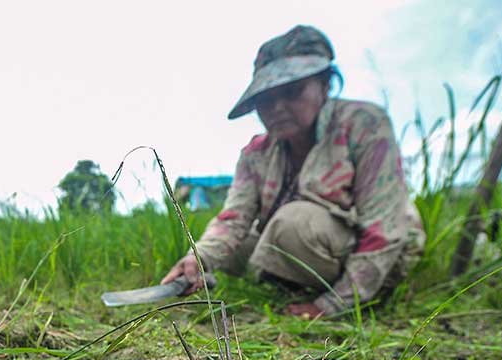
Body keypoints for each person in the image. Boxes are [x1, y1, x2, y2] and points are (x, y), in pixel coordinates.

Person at [162, 25, 423, 318]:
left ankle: (335, 291)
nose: (277, 107)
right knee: (234, 245)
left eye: (292, 91)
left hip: (372, 255)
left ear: (324, 86)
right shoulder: (256, 152)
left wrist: (331, 305)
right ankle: (281, 284)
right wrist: (198, 258)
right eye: (266, 99)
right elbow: (234, 219)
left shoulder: (363, 124)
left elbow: (383, 230)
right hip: (306, 249)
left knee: (292, 222)